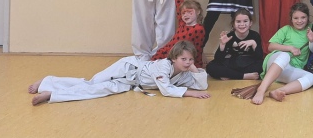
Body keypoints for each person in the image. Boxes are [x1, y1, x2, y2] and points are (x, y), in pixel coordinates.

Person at [28, 41, 209, 105]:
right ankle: (46, 81)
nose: (187, 63)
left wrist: (194, 69)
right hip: (127, 68)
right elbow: (166, 89)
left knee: (97, 90)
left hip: (130, 83)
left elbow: (202, 85)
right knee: (92, 82)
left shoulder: (184, 72)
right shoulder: (163, 66)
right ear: (174, 58)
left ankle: (52, 94)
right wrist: (191, 93)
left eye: (190, 59)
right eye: (184, 59)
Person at [251, 2, 313, 104]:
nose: (299, 21)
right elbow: (271, 46)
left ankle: (278, 91)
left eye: (303, 17)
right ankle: (261, 90)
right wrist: (290, 48)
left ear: (308, 17)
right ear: (291, 19)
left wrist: (312, 40)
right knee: (285, 56)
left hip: (288, 70)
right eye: (296, 18)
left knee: (311, 77)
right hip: (274, 63)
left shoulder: (311, 29)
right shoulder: (286, 29)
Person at [151, 0, 206, 68]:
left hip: (180, 55)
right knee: (154, 62)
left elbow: (197, 47)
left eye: (190, 12)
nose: (186, 15)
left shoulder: (198, 29)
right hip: (168, 52)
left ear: (198, 12)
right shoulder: (182, 23)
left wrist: (195, 64)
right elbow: (178, 2)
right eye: (184, 13)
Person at [205, 8, 264, 80]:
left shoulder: (255, 35)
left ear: (250, 23)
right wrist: (222, 44)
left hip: (248, 63)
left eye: (245, 21)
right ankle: (243, 76)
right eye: (238, 21)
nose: (242, 24)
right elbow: (218, 59)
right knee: (210, 67)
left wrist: (253, 43)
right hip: (233, 63)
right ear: (233, 24)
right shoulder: (229, 36)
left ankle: (230, 75)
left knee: (263, 65)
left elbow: (259, 57)